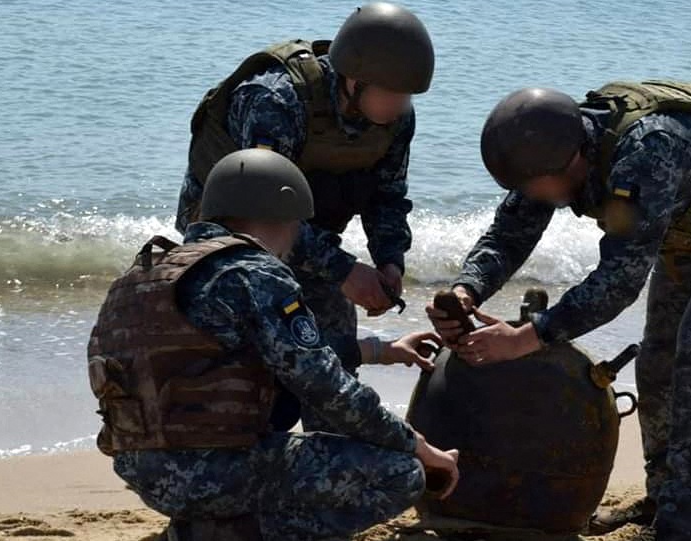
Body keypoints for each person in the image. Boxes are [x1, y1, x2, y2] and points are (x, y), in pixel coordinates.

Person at [426, 82, 691, 541]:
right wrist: (467, 290)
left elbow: (618, 282)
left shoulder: (649, 152)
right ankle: (660, 499)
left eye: (533, 186)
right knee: (659, 359)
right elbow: (509, 235)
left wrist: (527, 337)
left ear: (572, 160)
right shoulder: (545, 154)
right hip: (689, 219)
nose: (531, 195)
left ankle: (682, 523)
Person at [89, 149, 458, 540]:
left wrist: (379, 350)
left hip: (140, 470)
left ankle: (204, 524)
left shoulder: (141, 275)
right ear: (282, 213)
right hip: (210, 471)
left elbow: (242, 355)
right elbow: (327, 387)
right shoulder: (255, 271)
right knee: (400, 474)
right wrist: (416, 446)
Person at [176, 2, 435, 391]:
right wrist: (344, 270)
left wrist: (389, 261)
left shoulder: (396, 119)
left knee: (333, 362)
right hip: (230, 241)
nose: (402, 106)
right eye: (393, 94)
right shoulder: (275, 100)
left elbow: (387, 195)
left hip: (308, 231)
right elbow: (259, 215)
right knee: (248, 364)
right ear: (355, 80)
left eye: (408, 96)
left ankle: (331, 446)